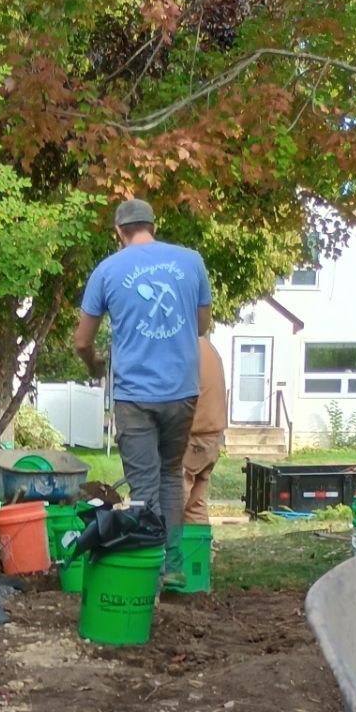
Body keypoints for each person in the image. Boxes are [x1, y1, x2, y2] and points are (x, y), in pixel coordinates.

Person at [74, 197, 211, 590]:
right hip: (182, 390)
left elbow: (82, 341)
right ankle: (172, 565)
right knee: (170, 475)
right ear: (153, 224)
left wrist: (95, 365)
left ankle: (146, 572)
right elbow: (201, 325)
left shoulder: (107, 271)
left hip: (134, 395)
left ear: (119, 231)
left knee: (144, 487)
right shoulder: (191, 262)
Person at [182, 336, 227, 525]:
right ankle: (200, 554)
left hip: (192, 436)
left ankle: (156, 553)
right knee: (195, 506)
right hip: (212, 438)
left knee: (169, 505)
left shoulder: (181, 346)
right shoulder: (207, 347)